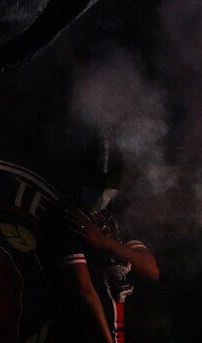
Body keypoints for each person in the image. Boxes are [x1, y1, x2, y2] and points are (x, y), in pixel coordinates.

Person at [37, 142, 159, 343]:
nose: (102, 193)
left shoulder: (113, 216)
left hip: (117, 329)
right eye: (96, 185)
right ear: (82, 179)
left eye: (108, 187)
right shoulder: (68, 217)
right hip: (79, 335)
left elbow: (151, 269)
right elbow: (83, 290)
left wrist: (105, 243)